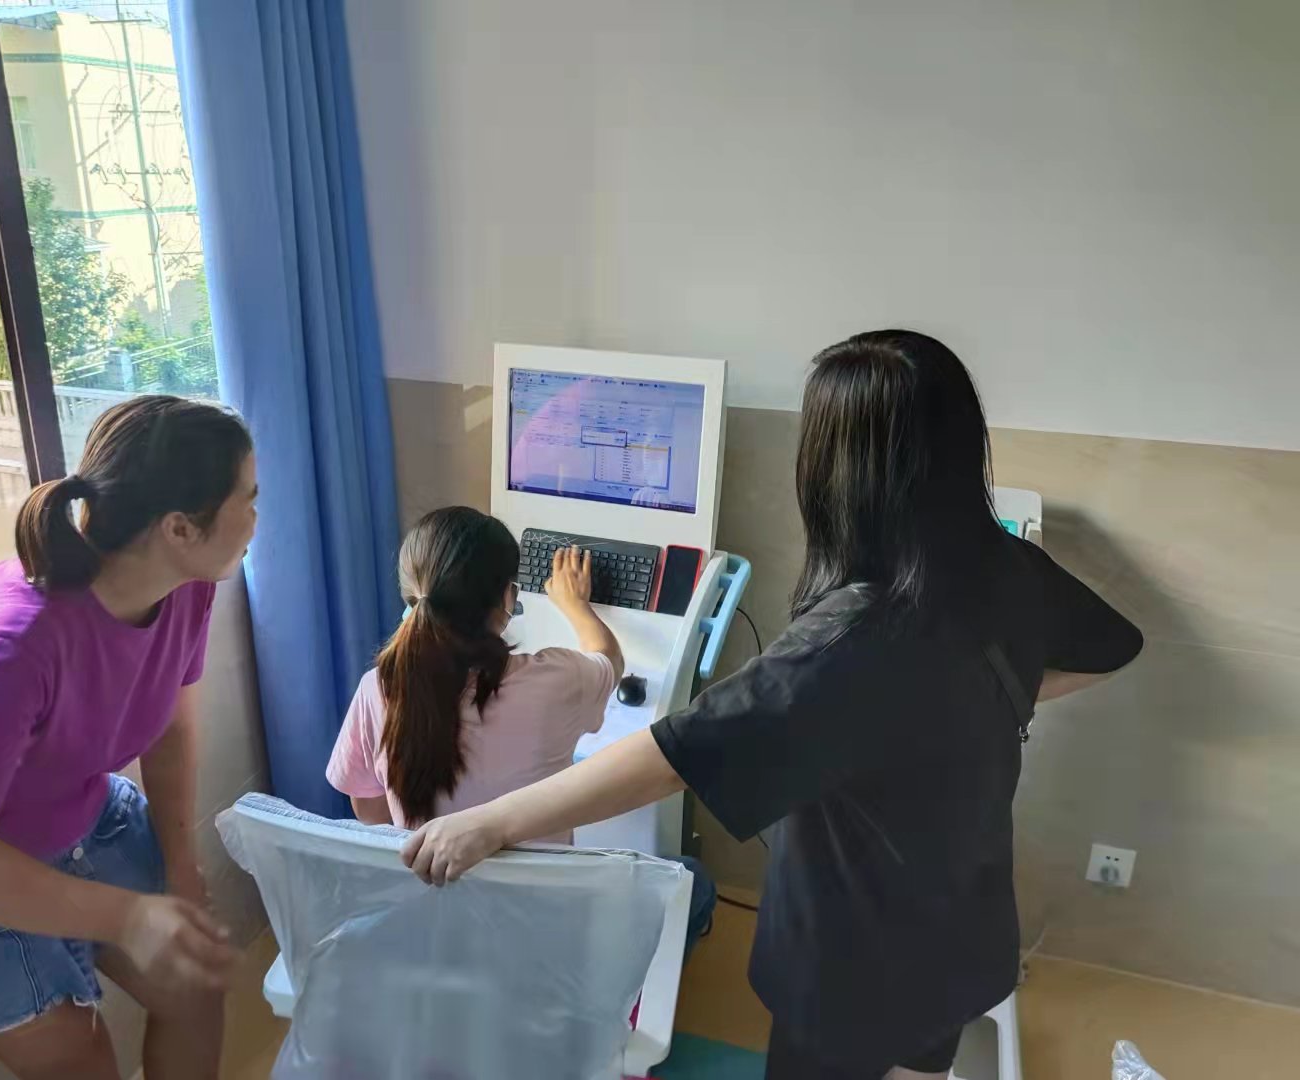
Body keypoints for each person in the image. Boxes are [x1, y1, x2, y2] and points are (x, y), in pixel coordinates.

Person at [399, 331, 1144, 1080]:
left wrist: (492, 822)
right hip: (959, 927)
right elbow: (1113, 647)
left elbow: (677, 753)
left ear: (839, 470)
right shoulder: (1009, 567)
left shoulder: (851, 639)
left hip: (851, 963)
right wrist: (965, 705)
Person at [0, 396, 257, 1080]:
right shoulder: (9, 649)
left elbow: (168, 725)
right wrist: (130, 917)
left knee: (192, 987)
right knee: (79, 1060)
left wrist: (179, 866)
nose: (255, 516)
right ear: (180, 528)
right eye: (248, 499)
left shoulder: (184, 583)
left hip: (62, 804)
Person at [326, 505, 715, 949]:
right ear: (507, 599)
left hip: (439, 929)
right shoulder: (556, 680)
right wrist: (575, 605)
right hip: (545, 933)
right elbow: (610, 658)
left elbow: (370, 812)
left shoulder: (377, 687)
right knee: (694, 878)